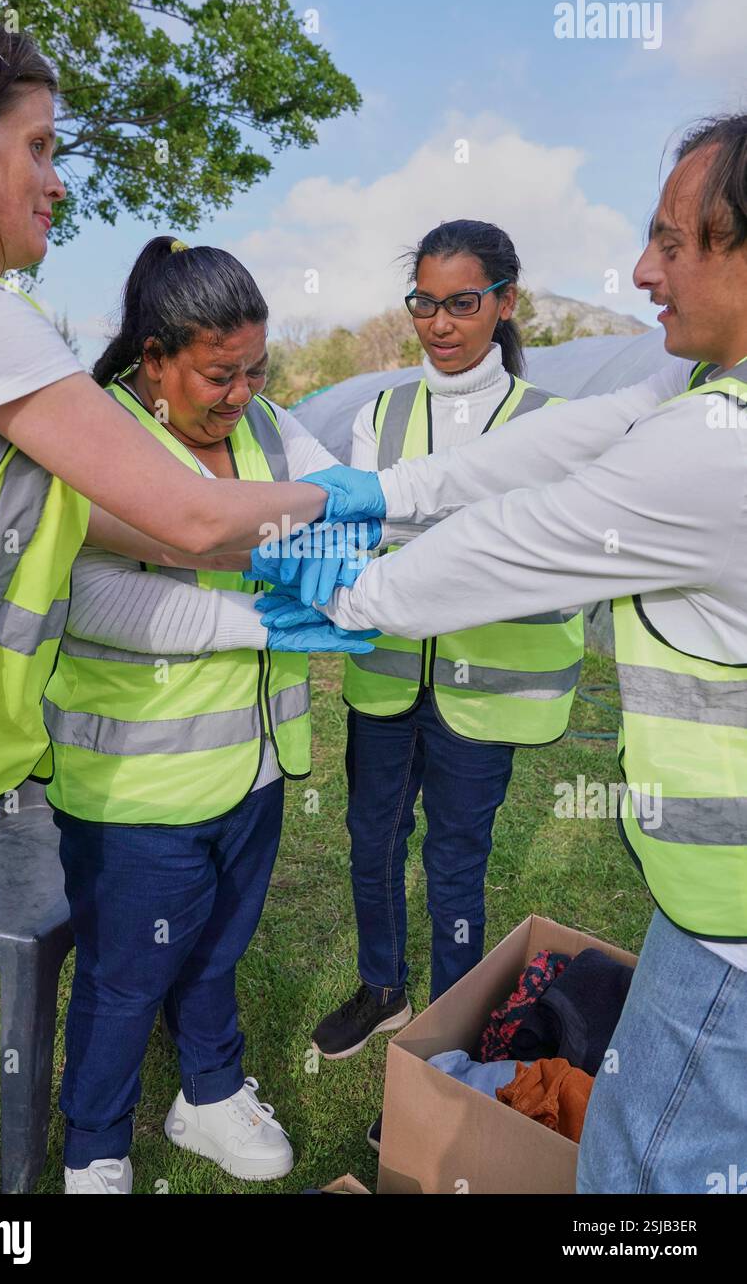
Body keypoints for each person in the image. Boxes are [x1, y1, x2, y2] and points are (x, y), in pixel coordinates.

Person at [0, 2, 329, 1195]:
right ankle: (92, 1152)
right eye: (38, 148)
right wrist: (351, 515)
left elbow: (124, 521)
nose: (59, 184)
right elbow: (179, 518)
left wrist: (262, 552)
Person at [268, 114, 747, 1193]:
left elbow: (540, 528)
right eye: (423, 302)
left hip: (731, 928)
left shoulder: (717, 444)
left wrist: (359, 593)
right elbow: (560, 444)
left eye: (674, 242)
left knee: (646, 1171)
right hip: (710, 909)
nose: (642, 268)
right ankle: (412, 1009)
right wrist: (383, 493)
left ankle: (454, 1036)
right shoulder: (690, 395)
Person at [44, 238, 374, 1193]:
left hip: (253, 762)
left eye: (255, 370)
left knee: (220, 944)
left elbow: (338, 511)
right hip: (137, 774)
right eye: (218, 374)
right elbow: (87, 598)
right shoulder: (94, 434)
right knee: (124, 976)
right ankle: (94, 1149)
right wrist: (255, 622)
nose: (241, 394)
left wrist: (328, 543)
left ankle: (210, 1092)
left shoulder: (268, 426)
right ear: (153, 359)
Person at [308, 222, 583, 1086]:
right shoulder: (380, 413)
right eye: (423, 302)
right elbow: (365, 536)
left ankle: (446, 1037)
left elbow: (552, 562)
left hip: (484, 692)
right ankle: (382, 987)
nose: (439, 323)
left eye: (462, 303)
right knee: (370, 839)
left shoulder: (552, 424)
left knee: (456, 858)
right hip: (386, 677)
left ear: (505, 303)